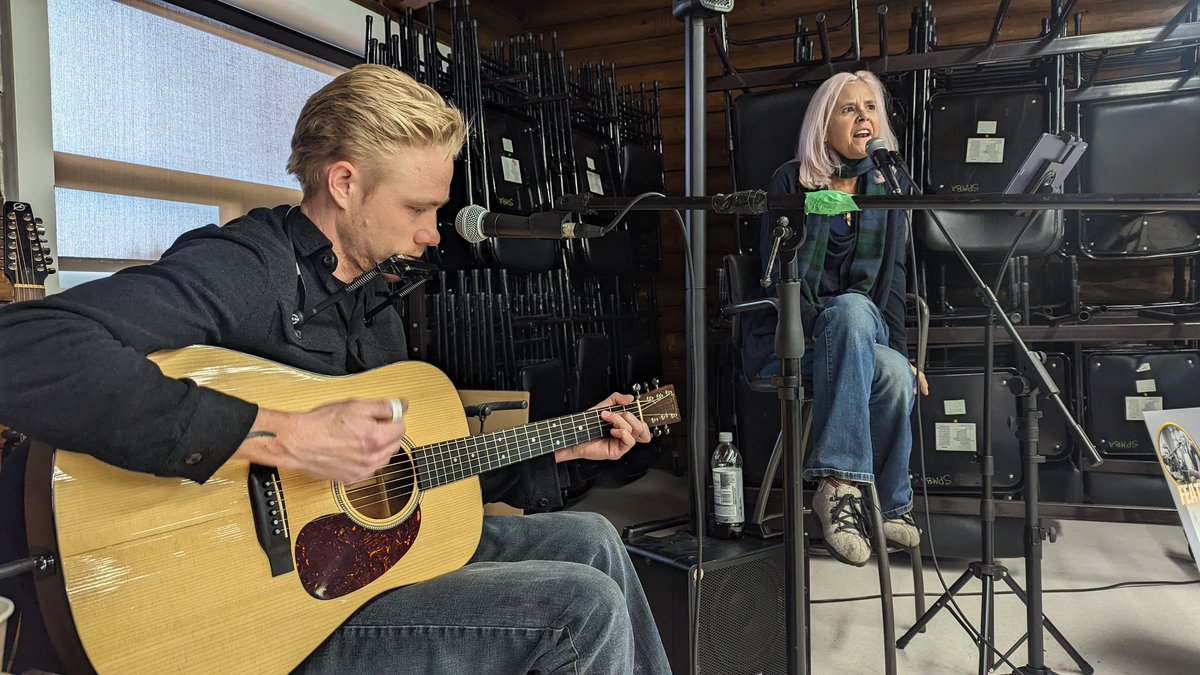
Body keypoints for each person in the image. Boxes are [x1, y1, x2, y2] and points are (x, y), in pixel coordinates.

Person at [0, 64, 670, 674]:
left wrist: (561, 448)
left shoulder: (376, 301)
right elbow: (22, 347)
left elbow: (406, 478)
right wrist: (281, 435)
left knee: (591, 540)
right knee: (581, 607)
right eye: (417, 208)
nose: (434, 232)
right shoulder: (248, 268)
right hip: (274, 612)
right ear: (344, 181)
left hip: (355, 565)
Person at [742, 70, 930, 567]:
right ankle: (844, 485)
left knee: (891, 371)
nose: (864, 117)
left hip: (861, 341)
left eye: (870, 107)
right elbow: (781, 281)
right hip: (795, 344)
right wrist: (833, 334)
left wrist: (906, 358)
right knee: (849, 311)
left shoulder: (890, 185)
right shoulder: (792, 180)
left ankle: (885, 505)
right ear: (823, 125)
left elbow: (892, 284)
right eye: (849, 109)